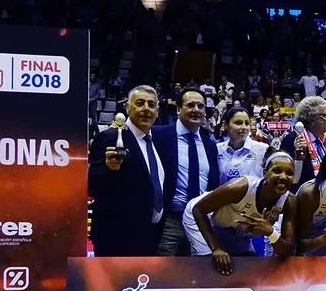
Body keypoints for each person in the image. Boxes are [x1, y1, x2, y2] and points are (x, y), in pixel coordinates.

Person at [184, 150, 297, 275]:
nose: (283, 177)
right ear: (265, 173)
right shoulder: (240, 187)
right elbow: (198, 210)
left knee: (245, 268)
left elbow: (287, 250)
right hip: (203, 217)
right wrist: (216, 248)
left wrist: (271, 233)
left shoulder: (289, 201)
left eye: (289, 173)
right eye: (277, 171)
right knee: (211, 265)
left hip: (233, 228)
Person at [88, 85, 165, 256]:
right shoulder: (111, 137)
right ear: (128, 107)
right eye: (140, 103)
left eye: (151, 105)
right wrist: (109, 169)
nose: (146, 108)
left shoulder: (156, 142)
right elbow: (91, 185)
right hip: (115, 240)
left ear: (158, 111)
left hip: (149, 237)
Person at [152, 87, 221, 255]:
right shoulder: (158, 135)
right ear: (178, 109)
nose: (196, 110)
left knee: (197, 274)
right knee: (165, 273)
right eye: (190, 105)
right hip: (169, 220)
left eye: (200, 106)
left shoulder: (210, 145)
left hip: (200, 222)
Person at [282, 96, 326, 188]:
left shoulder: (321, 142)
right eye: (324, 116)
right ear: (310, 119)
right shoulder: (292, 139)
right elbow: (288, 179)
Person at [216, 106, 269, 184]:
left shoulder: (263, 149)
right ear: (225, 125)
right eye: (238, 123)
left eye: (247, 123)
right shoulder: (217, 149)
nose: (244, 127)